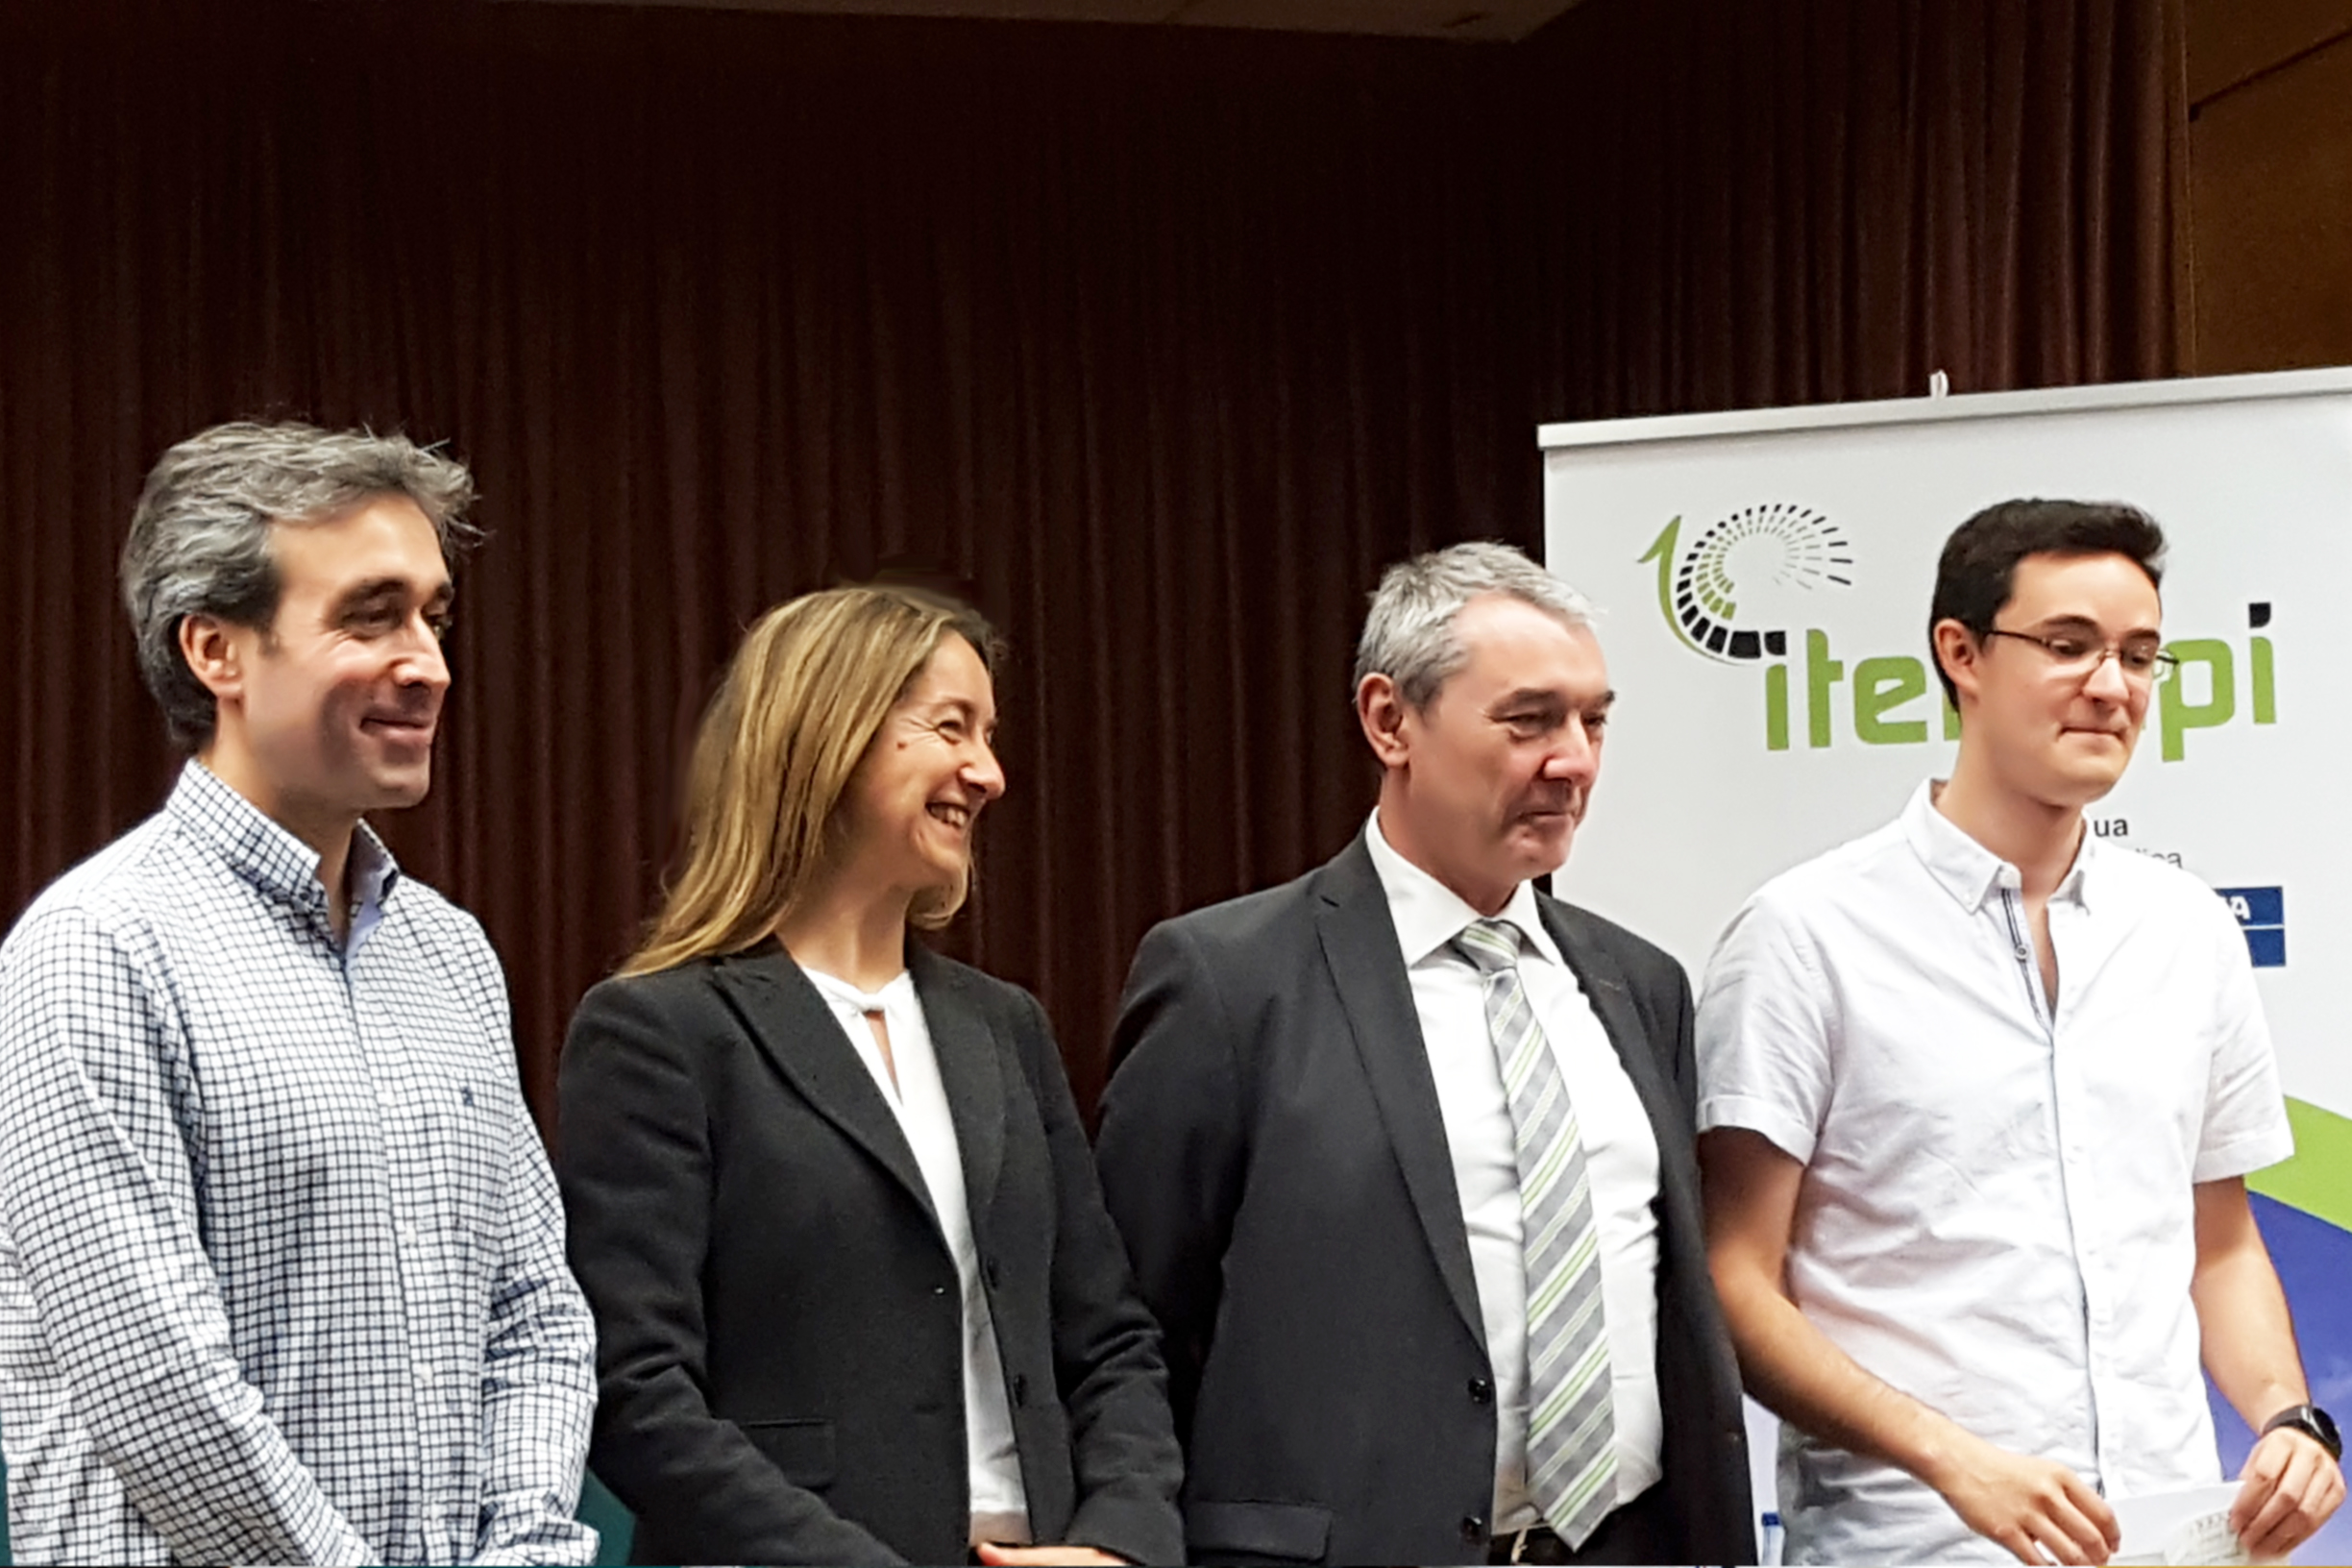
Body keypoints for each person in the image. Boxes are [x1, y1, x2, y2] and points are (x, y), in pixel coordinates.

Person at [1698, 499, 2347, 1566]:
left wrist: (2287, 1418)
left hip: (2173, 1540)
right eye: (2068, 644)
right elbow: (1733, 1277)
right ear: (1961, 654)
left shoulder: (2188, 929)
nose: (2111, 686)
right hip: (1918, 1545)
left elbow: (2219, 1244)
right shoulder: (1806, 935)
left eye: (2138, 654)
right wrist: (1951, 1458)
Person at [0, 421, 598, 1564]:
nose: (428, 664)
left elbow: (533, 1313)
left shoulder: (451, 954)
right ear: (216, 651)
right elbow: (157, 1389)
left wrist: (526, 1547)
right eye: (372, 616)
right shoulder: (95, 951)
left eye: (432, 616)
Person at [1093, 542, 1754, 1566]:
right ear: (1389, 720)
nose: (1574, 761)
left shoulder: (1643, 985)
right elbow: (1130, 1324)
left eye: (1593, 721)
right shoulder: (1229, 982)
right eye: (1529, 720)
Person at [557, 585, 1184, 1567]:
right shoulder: (659, 1032)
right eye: (950, 727)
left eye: (989, 736)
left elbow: (1109, 1342)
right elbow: (636, 1391)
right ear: (829, 736)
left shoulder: (1005, 1027)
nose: (989, 774)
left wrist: (1120, 1544)